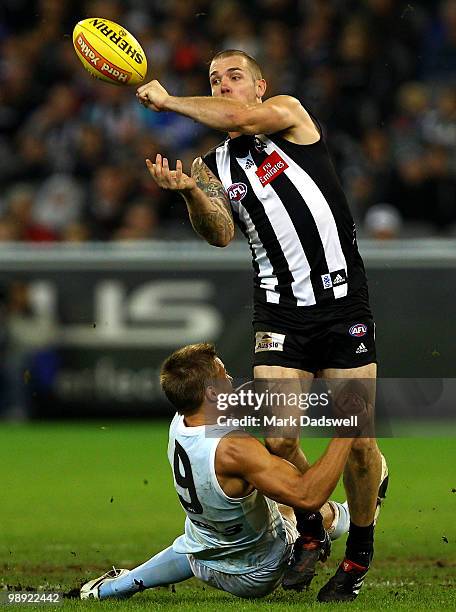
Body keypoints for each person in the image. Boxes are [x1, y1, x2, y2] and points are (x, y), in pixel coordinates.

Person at [136, 50, 388, 601]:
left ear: (259, 85)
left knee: (359, 442)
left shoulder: (287, 114)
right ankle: (314, 528)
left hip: (343, 303)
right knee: (278, 437)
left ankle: (359, 556)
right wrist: (190, 194)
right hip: (278, 310)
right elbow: (219, 232)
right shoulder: (214, 164)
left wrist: (169, 100)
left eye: (233, 76)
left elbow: (244, 120)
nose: (223, 85)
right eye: (213, 80)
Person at [81, 343, 386, 602]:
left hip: (204, 557)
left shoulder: (182, 419)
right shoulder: (234, 450)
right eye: (223, 374)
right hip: (256, 571)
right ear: (212, 394)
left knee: (200, 538)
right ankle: (358, 508)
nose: (230, 378)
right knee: (298, 505)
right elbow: (307, 495)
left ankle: (114, 588)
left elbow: (240, 399)